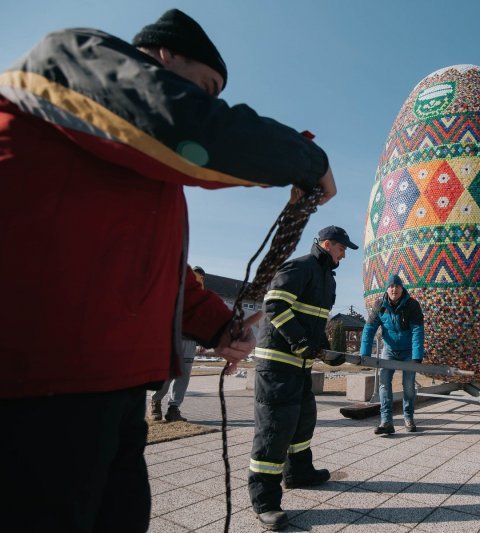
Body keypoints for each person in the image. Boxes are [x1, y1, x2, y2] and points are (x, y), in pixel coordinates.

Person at [0, 9, 336, 533]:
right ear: (163, 56)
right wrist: (306, 158)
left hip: (110, 392)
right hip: (32, 390)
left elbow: (160, 271)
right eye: (205, 86)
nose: (209, 102)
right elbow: (182, 122)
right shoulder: (67, 60)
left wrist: (216, 325)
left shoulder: (139, 171)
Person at [249, 226, 356, 530]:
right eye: (341, 249)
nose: (344, 254)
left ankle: (299, 472)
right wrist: (298, 341)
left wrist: (322, 349)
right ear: (327, 244)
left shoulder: (326, 277)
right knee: (275, 427)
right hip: (278, 362)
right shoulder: (300, 267)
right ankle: (265, 501)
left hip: (300, 364)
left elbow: (311, 320)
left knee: (304, 417)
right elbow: (275, 304)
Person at [360, 274, 425, 435]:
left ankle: (408, 417)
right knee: (384, 382)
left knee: (409, 385)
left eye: (397, 286)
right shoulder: (379, 305)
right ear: (387, 289)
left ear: (402, 288)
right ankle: (386, 421)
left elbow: (418, 330)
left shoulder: (412, 305)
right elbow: (369, 330)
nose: (394, 289)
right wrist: (365, 354)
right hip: (389, 349)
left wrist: (417, 356)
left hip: (408, 350)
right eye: (391, 286)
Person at [149, 266, 207, 423]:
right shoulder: (176, 291)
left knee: (183, 376)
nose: (197, 279)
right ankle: (156, 401)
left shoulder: (201, 297)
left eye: (200, 277)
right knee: (167, 375)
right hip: (172, 339)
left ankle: (173, 408)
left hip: (189, 341)